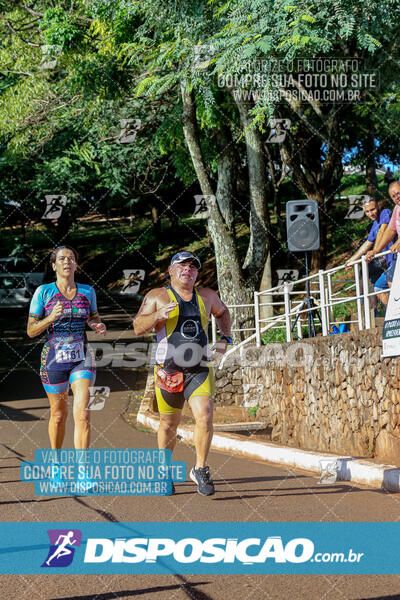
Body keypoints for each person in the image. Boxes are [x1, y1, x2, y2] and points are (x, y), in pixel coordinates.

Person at [133, 251, 231, 496]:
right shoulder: (156, 296)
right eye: (182, 266)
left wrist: (225, 338)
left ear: (197, 273)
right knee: (168, 424)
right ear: (170, 270)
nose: (188, 270)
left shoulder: (207, 296)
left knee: (205, 416)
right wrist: (157, 315)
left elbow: (223, 313)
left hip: (199, 369)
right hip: (168, 371)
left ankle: (201, 468)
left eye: (193, 267)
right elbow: (137, 327)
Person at [27, 246, 106, 455]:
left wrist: (97, 324)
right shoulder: (43, 292)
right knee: (59, 415)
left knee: (83, 415)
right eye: (62, 258)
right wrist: (51, 317)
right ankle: (56, 462)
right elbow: (31, 331)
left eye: (71, 258)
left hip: (82, 358)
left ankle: (83, 471)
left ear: (76, 264)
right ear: (54, 265)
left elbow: (93, 317)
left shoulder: (87, 291)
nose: (67, 262)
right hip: (53, 359)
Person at [345, 197, 395, 307]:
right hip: (391, 263)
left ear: (378, 206)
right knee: (378, 287)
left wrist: (374, 251)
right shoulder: (373, 225)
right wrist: (352, 260)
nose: (370, 214)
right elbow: (367, 243)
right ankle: (393, 317)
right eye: (367, 211)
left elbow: (383, 231)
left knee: (392, 287)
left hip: (397, 259)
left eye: (372, 209)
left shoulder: (385, 213)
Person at [366, 182, 400, 287]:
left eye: (398, 193)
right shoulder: (397, 209)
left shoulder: (385, 213)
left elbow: (383, 230)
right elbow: (390, 231)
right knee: (380, 285)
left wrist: (398, 242)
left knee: (391, 278)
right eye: (393, 196)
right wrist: (376, 250)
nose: (396, 197)